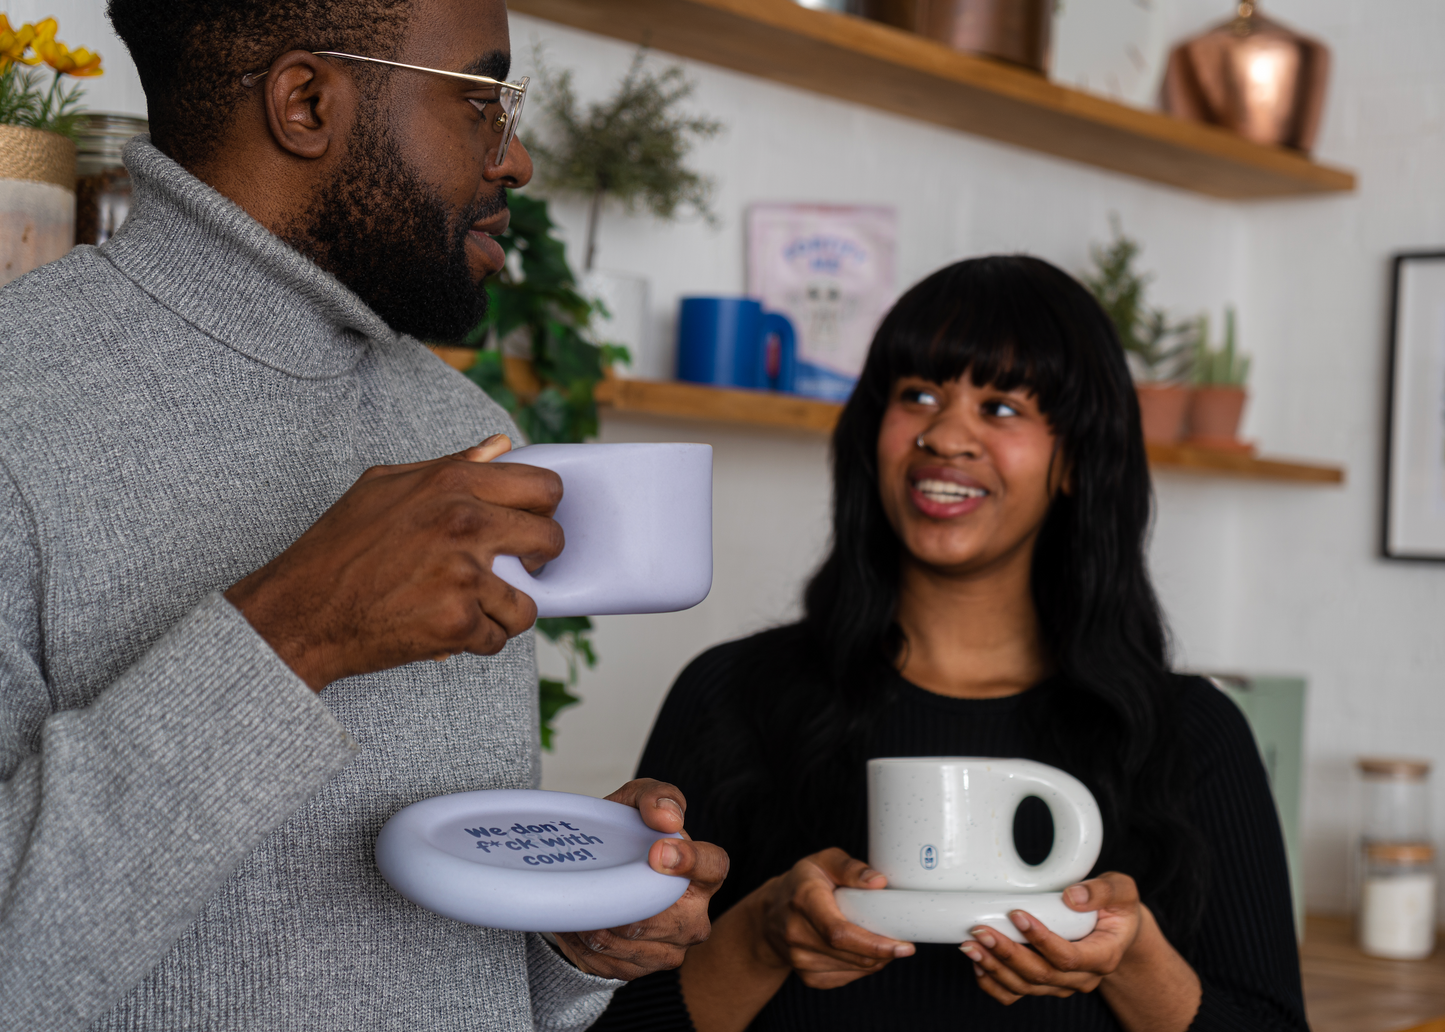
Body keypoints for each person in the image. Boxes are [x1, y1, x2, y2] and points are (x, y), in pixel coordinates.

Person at [0, 0, 727, 1028]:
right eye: (481, 101)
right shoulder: (15, 408)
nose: (514, 161)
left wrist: (568, 940)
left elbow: (424, 967)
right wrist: (296, 631)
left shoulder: (461, 425)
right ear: (306, 103)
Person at [596, 256, 1307, 1032]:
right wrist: (762, 937)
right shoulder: (729, 694)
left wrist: (1134, 959)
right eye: (918, 396)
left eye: (1000, 407)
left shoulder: (1190, 735)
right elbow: (605, 1019)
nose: (943, 435)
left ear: (1074, 459)